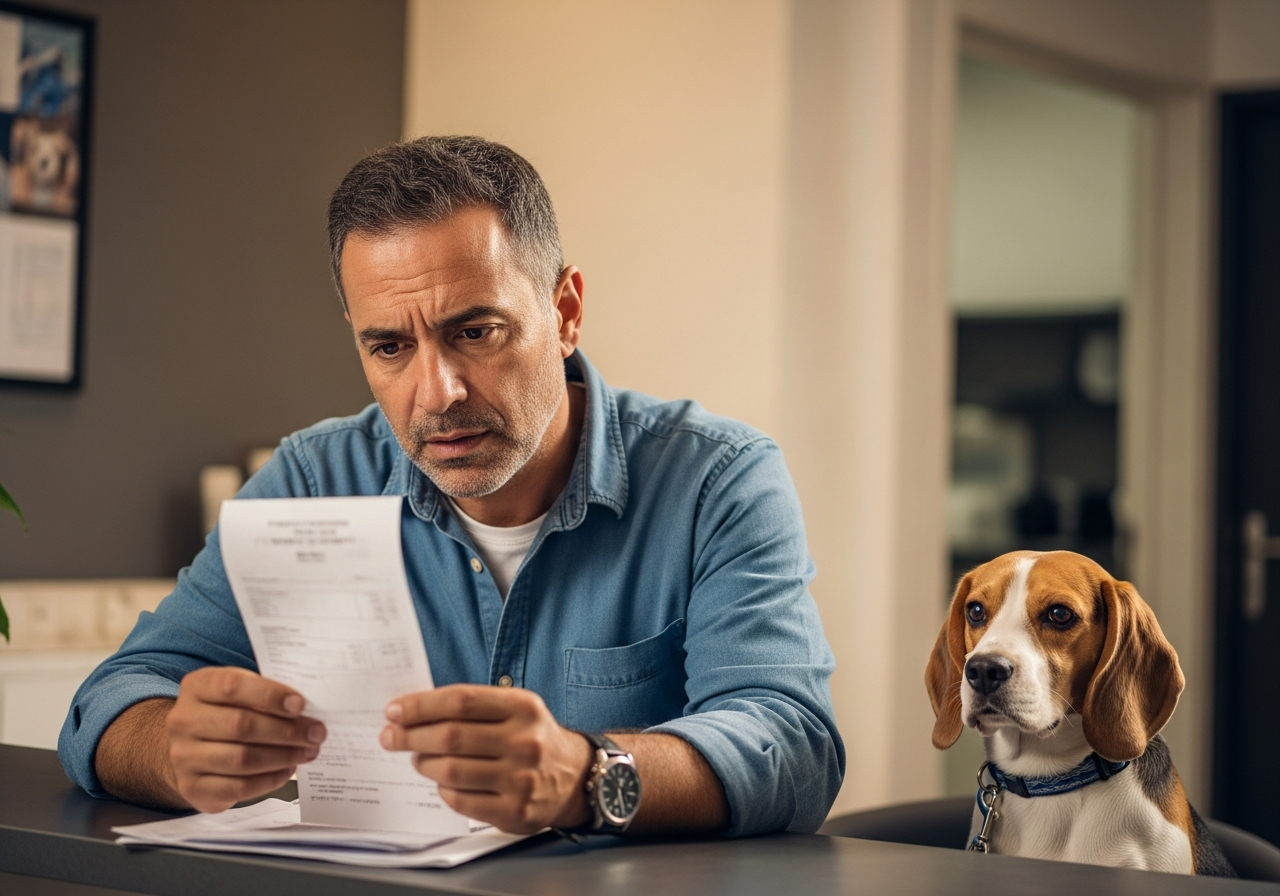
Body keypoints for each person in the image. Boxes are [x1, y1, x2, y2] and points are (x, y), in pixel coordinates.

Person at [58, 136, 844, 838]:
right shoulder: (310, 480)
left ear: (566, 311)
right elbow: (113, 697)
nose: (438, 392)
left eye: (474, 332)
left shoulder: (718, 480)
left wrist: (585, 775)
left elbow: (792, 743)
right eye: (390, 347)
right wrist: (171, 748)